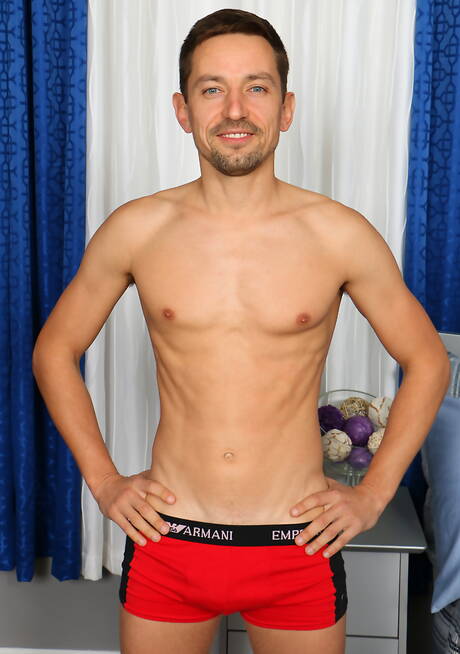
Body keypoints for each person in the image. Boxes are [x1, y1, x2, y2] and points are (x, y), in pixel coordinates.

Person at [32, 8, 451, 654]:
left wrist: (373, 495)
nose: (235, 109)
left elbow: (428, 359)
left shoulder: (339, 234)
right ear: (182, 110)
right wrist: (105, 481)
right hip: (171, 538)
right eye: (212, 89)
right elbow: (55, 350)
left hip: (295, 542)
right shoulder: (137, 229)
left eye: (256, 87)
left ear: (286, 108)